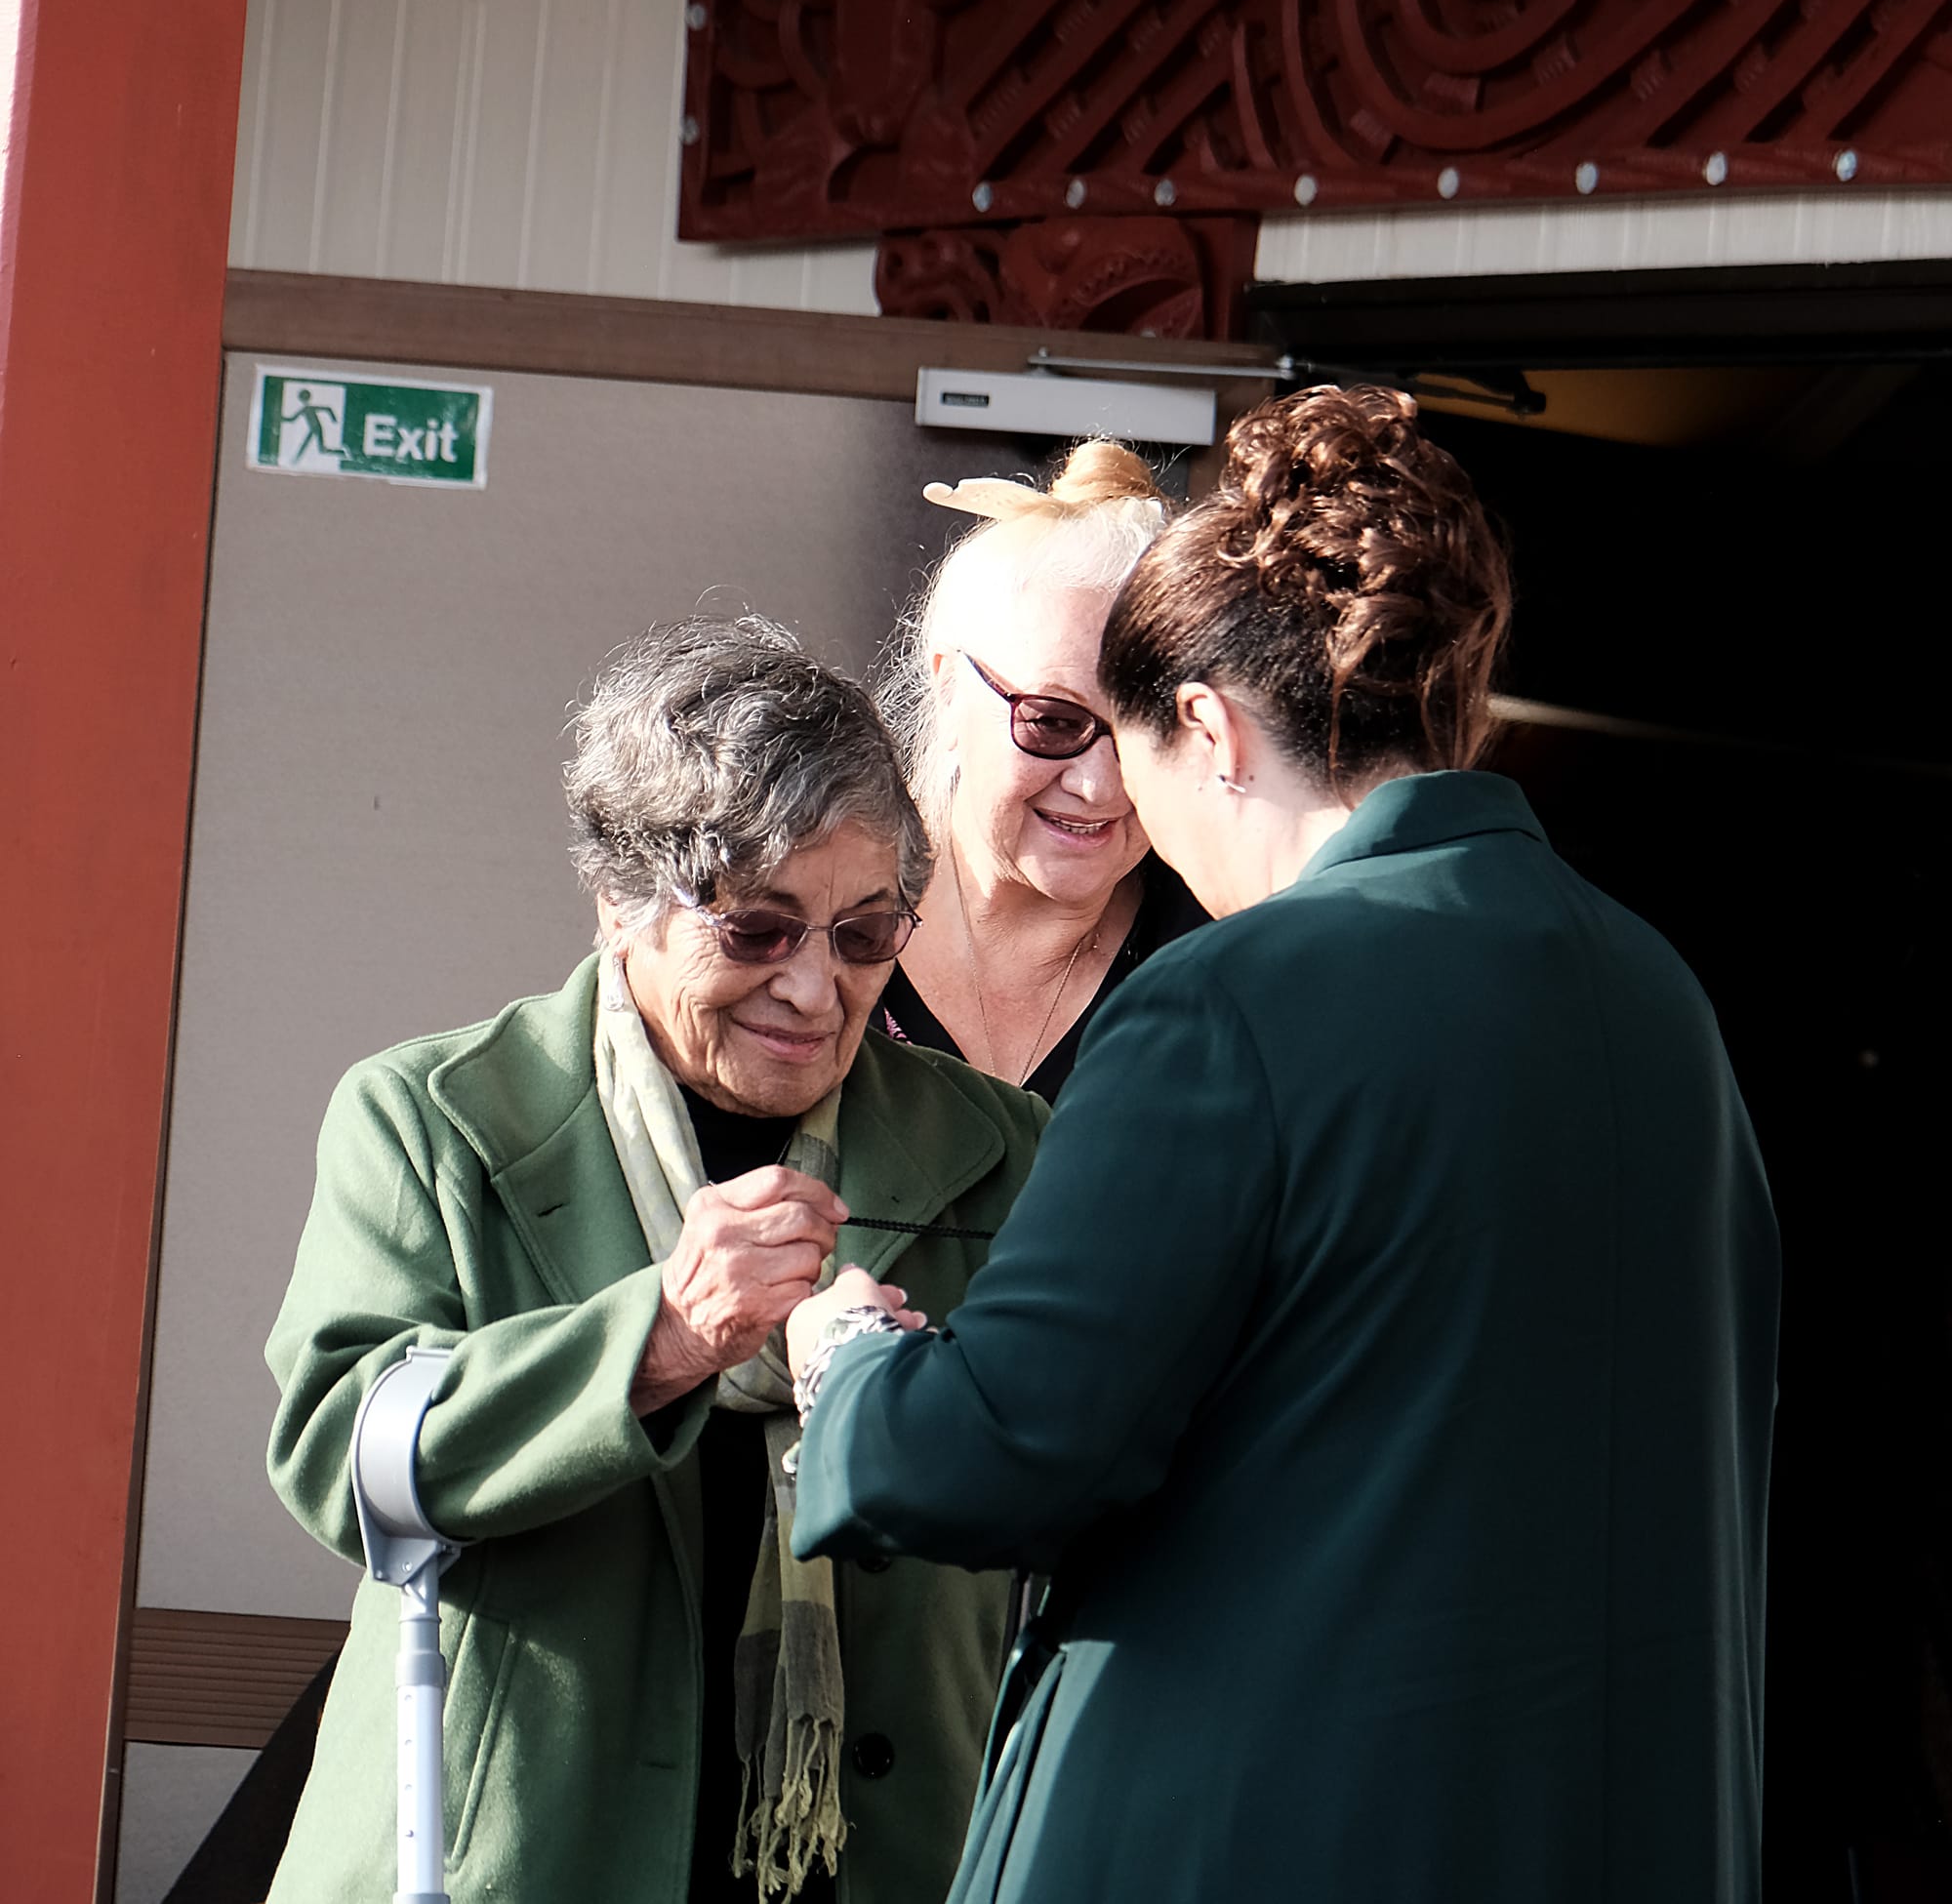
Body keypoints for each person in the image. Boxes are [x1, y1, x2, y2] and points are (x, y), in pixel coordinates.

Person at [786, 388, 1781, 1903]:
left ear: (1209, 727)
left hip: (1253, 1830)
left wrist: (851, 1356)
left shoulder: (1232, 996)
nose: (1121, 807)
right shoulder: (1659, 1000)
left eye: (1129, 749)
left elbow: (1000, 1449)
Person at [263, 618, 1045, 1904]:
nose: (815, 988)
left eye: (863, 933)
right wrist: (665, 1339)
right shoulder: (437, 1116)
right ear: (618, 902)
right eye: (758, 929)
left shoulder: (1003, 1149)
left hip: (876, 1855)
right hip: (522, 1848)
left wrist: (920, 1404)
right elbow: (343, 1456)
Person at [874, 441, 1204, 1101]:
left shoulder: (1216, 966)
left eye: (1147, 725)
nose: (1099, 785)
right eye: (1052, 721)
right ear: (949, 689)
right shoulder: (821, 923)